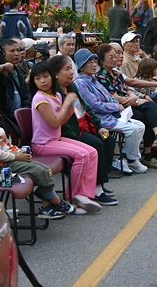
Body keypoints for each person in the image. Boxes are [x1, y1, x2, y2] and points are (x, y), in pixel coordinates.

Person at [0, 93, 74, 219]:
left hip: (13, 158)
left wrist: (19, 152)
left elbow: (8, 146)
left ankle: (46, 201)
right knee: (38, 171)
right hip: (2, 165)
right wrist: (16, 157)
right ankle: (55, 200)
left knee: (46, 169)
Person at [29, 61, 101, 214]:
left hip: (56, 139)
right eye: (37, 78)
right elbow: (55, 123)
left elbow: (63, 120)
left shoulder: (55, 95)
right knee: (81, 155)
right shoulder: (40, 98)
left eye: (45, 76)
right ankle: (71, 198)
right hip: (42, 144)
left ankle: (84, 194)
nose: (42, 81)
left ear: (52, 76)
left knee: (92, 152)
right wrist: (66, 104)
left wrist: (70, 106)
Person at [48, 54, 119, 204]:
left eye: (71, 68)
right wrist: (77, 137)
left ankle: (99, 183)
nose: (71, 72)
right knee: (96, 144)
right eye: (67, 69)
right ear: (56, 74)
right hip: (68, 133)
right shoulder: (54, 92)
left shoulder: (71, 86)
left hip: (83, 126)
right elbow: (61, 123)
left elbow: (84, 109)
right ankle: (96, 190)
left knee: (107, 140)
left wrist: (99, 127)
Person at [94, 44, 157, 169]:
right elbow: (114, 97)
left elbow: (128, 89)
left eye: (115, 56)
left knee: (151, 106)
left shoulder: (116, 74)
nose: (114, 59)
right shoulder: (101, 77)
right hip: (118, 110)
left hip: (130, 103)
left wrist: (134, 97)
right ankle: (144, 154)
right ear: (101, 60)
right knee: (145, 116)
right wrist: (133, 100)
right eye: (110, 57)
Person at [72, 48, 148, 174]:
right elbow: (95, 105)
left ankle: (126, 158)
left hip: (112, 115)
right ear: (81, 66)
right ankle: (130, 159)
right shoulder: (81, 83)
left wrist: (118, 105)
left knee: (140, 125)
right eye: (89, 62)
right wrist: (117, 107)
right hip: (101, 118)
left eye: (94, 61)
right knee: (132, 129)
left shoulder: (93, 80)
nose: (93, 64)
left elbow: (109, 97)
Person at [3, 39, 30, 124]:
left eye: (18, 50)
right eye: (12, 51)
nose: (17, 54)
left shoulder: (17, 71)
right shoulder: (2, 75)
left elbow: (26, 95)